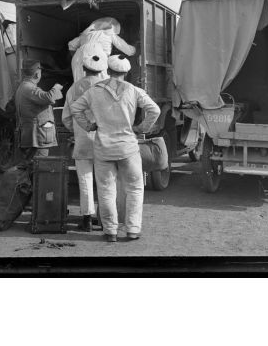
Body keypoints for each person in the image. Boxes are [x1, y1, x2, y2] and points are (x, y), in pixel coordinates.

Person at [70, 54, 160, 243]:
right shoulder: (134, 90)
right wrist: (141, 128)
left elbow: (75, 109)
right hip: (128, 148)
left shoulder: (94, 91)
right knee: (135, 189)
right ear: (126, 72)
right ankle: (133, 229)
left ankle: (110, 231)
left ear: (108, 71)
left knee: (105, 190)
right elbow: (155, 110)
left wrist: (89, 125)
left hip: (103, 149)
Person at [62, 52, 108, 232]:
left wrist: (76, 130)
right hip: (105, 142)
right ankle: (104, 219)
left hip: (82, 142)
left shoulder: (74, 89)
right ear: (103, 69)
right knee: (105, 182)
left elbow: (66, 117)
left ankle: (87, 220)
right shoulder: (107, 88)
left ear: (83, 69)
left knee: (85, 180)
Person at [15, 59, 63, 167]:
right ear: (37, 74)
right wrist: (56, 87)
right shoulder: (29, 88)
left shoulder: (24, 87)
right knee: (39, 168)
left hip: (33, 135)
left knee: (32, 166)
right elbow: (48, 97)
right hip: (37, 137)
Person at [68, 17, 136, 81]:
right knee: (101, 83)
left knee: (79, 82)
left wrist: (79, 56)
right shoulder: (109, 33)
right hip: (98, 57)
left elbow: (71, 45)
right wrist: (135, 48)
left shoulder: (86, 34)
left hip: (78, 57)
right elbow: (127, 50)